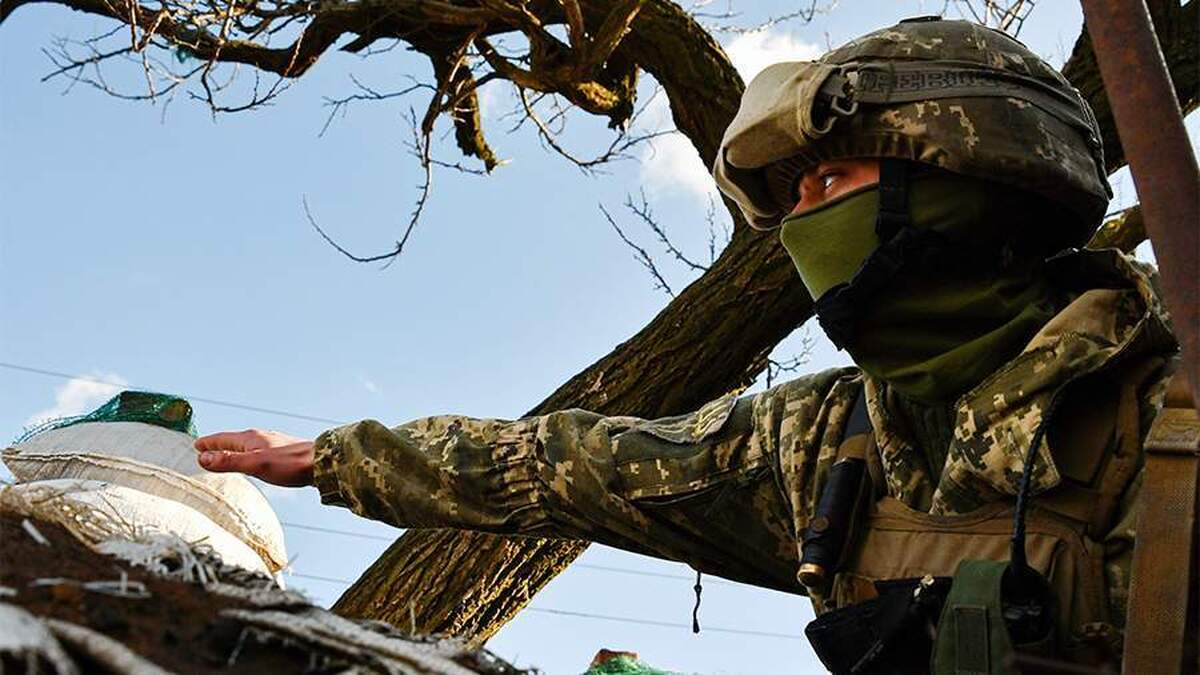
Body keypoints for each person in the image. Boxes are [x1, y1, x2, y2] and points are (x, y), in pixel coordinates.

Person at [195, 17, 1178, 672]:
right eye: (789, 202)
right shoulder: (824, 443)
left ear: (969, 173)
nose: (804, 228)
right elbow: (572, 469)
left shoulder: (1165, 420)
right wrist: (337, 459)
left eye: (830, 182)